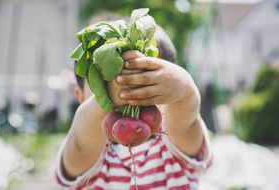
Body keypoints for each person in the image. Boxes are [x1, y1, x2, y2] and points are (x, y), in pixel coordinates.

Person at [55, 25, 212, 190]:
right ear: (80, 97)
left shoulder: (175, 142)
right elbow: (81, 142)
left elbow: (186, 122)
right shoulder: (87, 151)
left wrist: (185, 90)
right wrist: (105, 96)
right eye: (103, 80)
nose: (130, 91)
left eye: (145, 81)